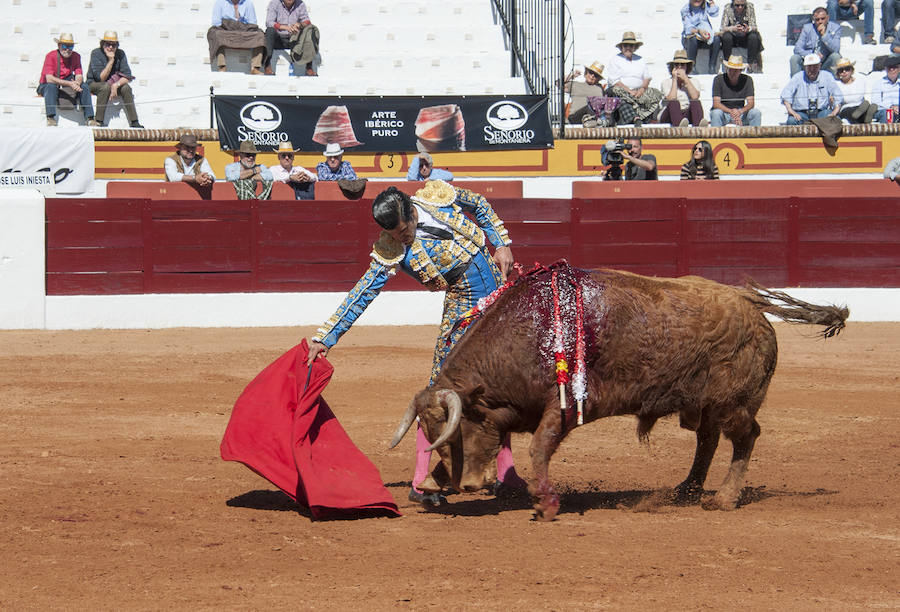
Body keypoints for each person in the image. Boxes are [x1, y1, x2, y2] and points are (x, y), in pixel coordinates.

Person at [305, 181, 525, 506]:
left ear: (411, 210)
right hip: (463, 304)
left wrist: (502, 243)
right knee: (439, 393)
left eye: (402, 230)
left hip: (497, 294)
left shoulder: (438, 196)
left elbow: (477, 202)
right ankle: (421, 482)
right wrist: (326, 337)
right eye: (392, 234)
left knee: (499, 385)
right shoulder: (391, 249)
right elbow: (363, 292)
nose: (399, 238)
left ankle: (505, 474)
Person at [37, 33, 98, 127]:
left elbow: (79, 74)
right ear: (59, 46)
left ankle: (89, 118)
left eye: (70, 46)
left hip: (66, 82)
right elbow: (49, 78)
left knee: (84, 86)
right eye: (65, 46)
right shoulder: (51, 56)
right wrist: (70, 84)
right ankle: (51, 118)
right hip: (49, 84)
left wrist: (77, 83)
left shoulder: (76, 56)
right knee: (51, 87)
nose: (67, 49)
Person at [85, 31, 143, 129]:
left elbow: (127, 75)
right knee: (105, 86)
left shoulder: (120, 54)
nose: (111, 47)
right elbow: (100, 78)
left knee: (126, 88)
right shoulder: (96, 53)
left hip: (113, 84)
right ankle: (99, 120)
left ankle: (134, 121)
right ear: (103, 44)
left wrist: (116, 85)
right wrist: (111, 60)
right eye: (108, 44)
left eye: (113, 45)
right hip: (95, 84)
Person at [606, 31, 664, 126]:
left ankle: (643, 117)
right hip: (622, 91)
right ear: (622, 47)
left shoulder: (640, 59)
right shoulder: (615, 59)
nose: (628, 48)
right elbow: (615, 81)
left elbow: (647, 78)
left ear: (634, 47)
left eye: (631, 46)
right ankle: (635, 118)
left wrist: (642, 89)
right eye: (626, 45)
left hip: (639, 91)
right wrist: (629, 91)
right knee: (617, 92)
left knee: (656, 93)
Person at [782, 54, 843, 125]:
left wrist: (834, 112)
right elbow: (786, 94)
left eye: (815, 66)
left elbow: (838, 95)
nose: (812, 69)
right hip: (802, 113)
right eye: (809, 66)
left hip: (821, 112)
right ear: (805, 67)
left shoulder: (827, 76)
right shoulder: (798, 77)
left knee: (834, 119)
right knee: (792, 121)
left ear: (820, 65)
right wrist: (791, 111)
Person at [208, 0, 265, 74]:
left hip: (244, 30)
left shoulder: (248, 3)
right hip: (226, 30)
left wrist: (240, 25)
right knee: (216, 34)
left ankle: (255, 68)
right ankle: (222, 66)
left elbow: (252, 24)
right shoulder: (220, 2)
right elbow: (216, 23)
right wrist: (231, 24)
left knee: (259, 35)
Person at [264, 0, 319, 76]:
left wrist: (299, 24)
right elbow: (269, 22)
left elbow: (307, 21)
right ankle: (267, 65)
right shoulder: (274, 3)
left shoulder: (300, 4)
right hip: (279, 39)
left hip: (294, 39)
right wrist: (285, 27)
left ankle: (309, 67)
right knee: (270, 31)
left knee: (310, 30)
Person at [658, 50, 708, 127]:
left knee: (695, 102)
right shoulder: (666, 82)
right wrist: (675, 79)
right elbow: (671, 98)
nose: (679, 67)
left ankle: (698, 127)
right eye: (677, 65)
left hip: (686, 114)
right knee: (674, 102)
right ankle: (679, 127)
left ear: (687, 66)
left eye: (682, 65)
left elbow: (695, 96)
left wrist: (685, 79)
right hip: (669, 114)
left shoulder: (693, 81)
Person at [710, 54, 762, 126]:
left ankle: (756, 136)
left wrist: (740, 112)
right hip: (724, 112)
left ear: (740, 71)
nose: (732, 73)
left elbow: (751, 103)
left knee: (756, 113)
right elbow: (716, 104)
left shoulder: (748, 80)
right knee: (716, 113)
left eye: (735, 70)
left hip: (740, 112)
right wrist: (731, 111)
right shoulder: (718, 79)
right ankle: (715, 136)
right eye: (730, 69)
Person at [791, 7, 841, 75]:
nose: (820, 21)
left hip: (825, 62)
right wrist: (812, 55)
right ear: (813, 19)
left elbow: (836, 49)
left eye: (823, 18)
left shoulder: (835, 28)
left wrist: (824, 36)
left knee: (836, 56)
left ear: (828, 18)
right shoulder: (807, 28)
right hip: (809, 63)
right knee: (794, 58)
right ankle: (796, 83)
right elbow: (797, 49)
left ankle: (834, 82)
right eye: (817, 19)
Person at [719, 0, 764, 73]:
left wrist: (748, 29)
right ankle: (727, 63)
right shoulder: (728, 8)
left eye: (742, 5)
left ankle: (751, 64)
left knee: (754, 36)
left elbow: (754, 26)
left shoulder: (750, 7)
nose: (740, 7)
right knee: (726, 37)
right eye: (737, 5)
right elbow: (722, 28)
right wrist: (733, 28)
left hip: (745, 36)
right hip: (733, 36)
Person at [680, 0, 721, 74]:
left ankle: (712, 67)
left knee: (717, 39)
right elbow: (688, 29)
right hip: (692, 37)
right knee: (693, 39)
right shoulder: (686, 10)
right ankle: (692, 66)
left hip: (705, 35)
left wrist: (711, 2)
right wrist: (699, 31)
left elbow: (714, 13)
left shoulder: (705, 6)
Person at [833, 58, 878, 123]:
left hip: (860, 106)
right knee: (850, 113)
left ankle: (866, 114)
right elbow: (836, 101)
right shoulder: (836, 84)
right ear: (838, 73)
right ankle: (865, 118)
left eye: (847, 69)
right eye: (841, 70)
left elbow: (868, 94)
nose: (844, 72)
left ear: (851, 70)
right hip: (846, 107)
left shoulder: (860, 80)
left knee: (860, 112)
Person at [563, 61, 607, 125]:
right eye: (591, 73)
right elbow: (558, 83)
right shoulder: (575, 85)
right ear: (586, 73)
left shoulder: (600, 88)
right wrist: (572, 75)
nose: (592, 76)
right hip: (576, 117)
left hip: (594, 116)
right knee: (588, 107)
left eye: (596, 75)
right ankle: (598, 122)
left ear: (599, 79)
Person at [869, 55, 900, 122]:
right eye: (889, 67)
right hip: (885, 109)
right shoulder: (879, 83)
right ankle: (886, 132)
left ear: (899, 69)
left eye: (894, 67)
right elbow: (875, 101)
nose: (892, 69)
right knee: (887, 113)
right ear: (885, 69)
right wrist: (891, 107)